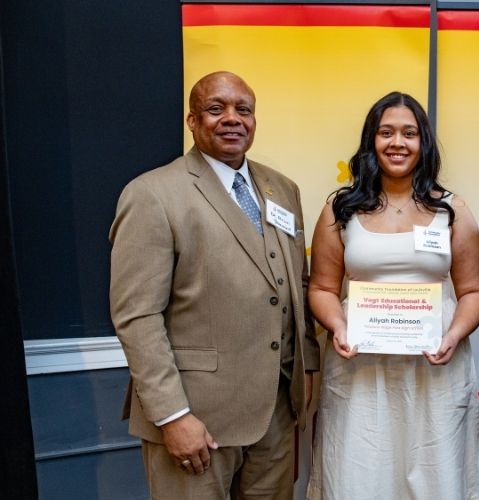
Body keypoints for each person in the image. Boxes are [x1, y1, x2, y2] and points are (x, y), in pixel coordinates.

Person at [109, 71, 319, 499]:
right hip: (196, 419)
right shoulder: (152, 193)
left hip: (275, 415)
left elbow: (296, 283)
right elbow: (136, 317)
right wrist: (172, 416)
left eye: (244, 110)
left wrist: (307, 368)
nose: (232, 119)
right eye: (215, 108)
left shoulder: (283, 190)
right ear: (191, 120)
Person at [305, 91, 479, 500]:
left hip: (435, 368)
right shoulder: (340, 209)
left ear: (423, 143)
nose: (397, 143)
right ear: (371, 140)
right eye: (386, 132)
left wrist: (454, 335)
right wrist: (337, 325)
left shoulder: (452, 210)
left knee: (436, 474)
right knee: (359, 472)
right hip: (359, 368)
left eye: (409, 133)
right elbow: (320, 288)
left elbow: (474, 291)